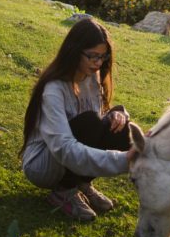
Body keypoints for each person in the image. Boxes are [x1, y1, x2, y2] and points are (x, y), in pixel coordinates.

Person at [20, 17, 134, 221]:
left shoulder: (92, 76)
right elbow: (65, 147)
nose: (99, 63)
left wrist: (117, 115)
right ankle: (63, 192)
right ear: (74, 51)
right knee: (89, 122)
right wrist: (122, 160)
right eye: (92, 56)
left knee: (125, 129)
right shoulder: (54, 89)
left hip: (69, 155)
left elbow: (97, 122)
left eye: (103, 57)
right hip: (44, 164)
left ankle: (81, 184)